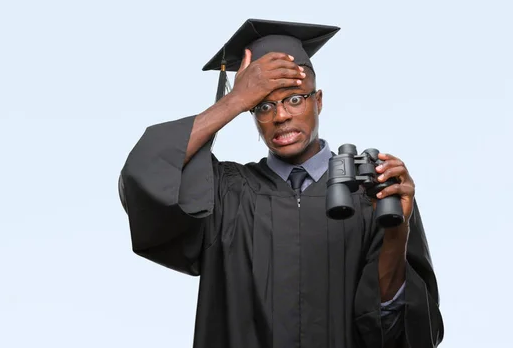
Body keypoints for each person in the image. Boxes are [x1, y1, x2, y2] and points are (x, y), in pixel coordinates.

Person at [118, 19, 444, 348]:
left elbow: (393, 326)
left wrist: (397, 231)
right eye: (262, 106)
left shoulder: (370, 192)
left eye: (294, 99)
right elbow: (146, 175)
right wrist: (233, 101)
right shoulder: (227, 193)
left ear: (317, 101)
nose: (280, 116)